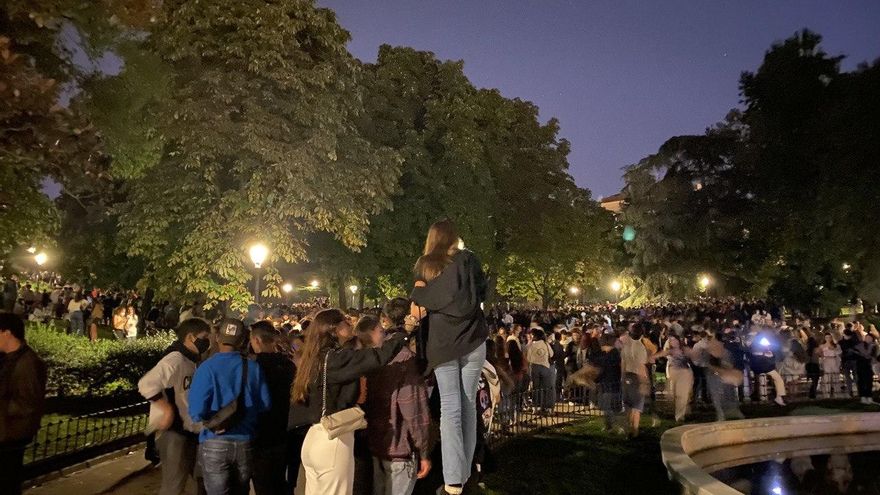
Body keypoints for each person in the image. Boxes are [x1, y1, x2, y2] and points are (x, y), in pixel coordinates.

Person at [289, 309, 411, 495]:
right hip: (333, 440)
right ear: (334, 329)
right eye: (345, 322)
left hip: (314, 438)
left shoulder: (315, 358)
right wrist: (403, 333)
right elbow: (376, 357)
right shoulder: (334, 360)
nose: (350, 323)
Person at [409, 219, 488, 495]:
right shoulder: (471, 261)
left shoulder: (426, 265)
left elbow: (421, 300)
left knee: (451, 408)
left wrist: (420, 290)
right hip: (473, 339)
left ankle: (454, 479)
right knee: (468, 407)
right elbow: (483, 291)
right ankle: (463, 474)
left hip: (443, 343)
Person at [189, 318, 272, 495]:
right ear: (243, 341)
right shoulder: (252, 367)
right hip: (245, 441)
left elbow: (196, 411)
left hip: (214, 441)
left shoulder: (206, 368)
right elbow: (265, 404)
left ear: (217, 338)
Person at [365, 298, 432, 495]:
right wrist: (424, 451)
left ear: (385, 319)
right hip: (399, 448)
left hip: (377, 443)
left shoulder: (374, 354)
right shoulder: (405, 360)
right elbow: (414, 410)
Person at [138, 318, 212, 495]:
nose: (207, 342)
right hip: (174, 432)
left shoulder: (190, 360)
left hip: (188, 430)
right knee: (174, 485)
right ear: (190, 337)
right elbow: (147, 383)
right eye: (204, 337)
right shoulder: (175, 359)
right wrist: (165, 408)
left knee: (196, 481)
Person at [0, 312, 48, 495]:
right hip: (6, 432)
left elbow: (28, 403)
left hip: (11, 435)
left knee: (7, 483)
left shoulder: (28, 363)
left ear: (7, 333)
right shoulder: (8, 359)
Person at [249, 321, 295, 495]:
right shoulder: (289, 365)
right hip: (285, 431)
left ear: (257, 341)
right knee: (282, 482)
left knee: (264, 484)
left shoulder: (253, 368)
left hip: (261, 435)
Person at [652, 335, 692, 422]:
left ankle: (680, 416)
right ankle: (679, 411)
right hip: (673, 373)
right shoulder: (670, 351)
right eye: (670, 341)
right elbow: (660, 354)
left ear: (678, 341)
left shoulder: (684, 350)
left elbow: (693, 355)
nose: (672, 342)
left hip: (684, 373)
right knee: (671, 395)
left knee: (682, 395)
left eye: (674, 340)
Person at [619, 325, 648, 438]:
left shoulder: (625, 346)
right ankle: (634, 431)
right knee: (636, 407)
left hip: (627, 376)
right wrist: (644, 382)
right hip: (636, 377)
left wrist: (622, 377)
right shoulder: (641, 348)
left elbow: (623, 363)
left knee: (628, 406)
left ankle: (627, 429)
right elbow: (641, 367)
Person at [524, 328, 555, 414]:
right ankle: (548, 407)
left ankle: (536, 406)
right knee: (547, 387)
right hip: (545, 366)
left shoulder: (531, 345)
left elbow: (528, 358)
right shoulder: (545, 343)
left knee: (536, 387)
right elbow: (551, 354)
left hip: (535, 367)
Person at [853, 333, 878, 405]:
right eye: (867, 337)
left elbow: (874, 356)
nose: (868, 339)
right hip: (860, 366)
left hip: (869, 366)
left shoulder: (874, 346)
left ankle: (869, 397)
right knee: (861, 381)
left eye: (870, 338)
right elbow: (855, 355)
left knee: (869, 382)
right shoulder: (859, 346)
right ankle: (863, 397)